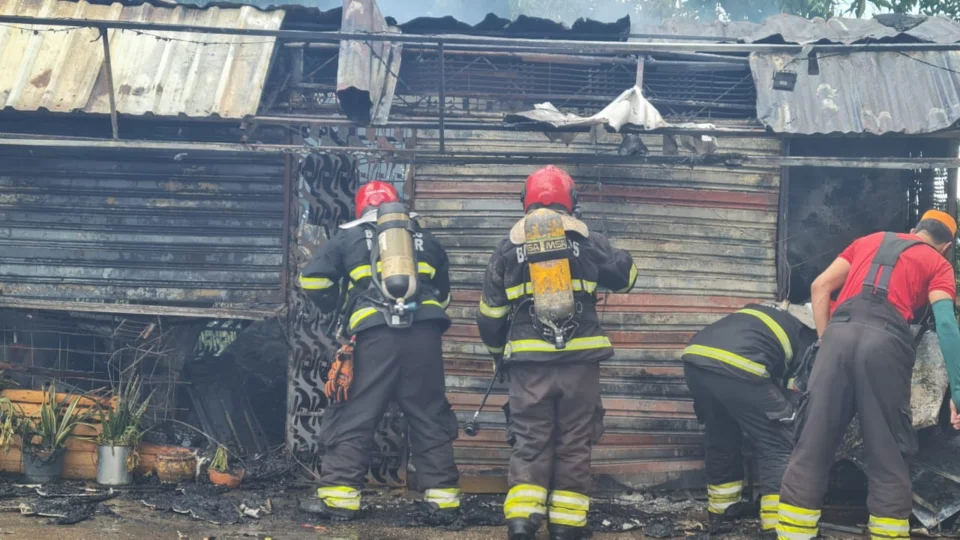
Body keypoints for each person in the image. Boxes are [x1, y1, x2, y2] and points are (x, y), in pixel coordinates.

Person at [476, 165, 638, 540]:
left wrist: (499, 355)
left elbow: (489, 315)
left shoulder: (507, 248)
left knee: (530, 440)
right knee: (575, 440)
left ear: (526, 202)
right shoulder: (587, 241)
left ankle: (522, 521)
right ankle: (567, 526)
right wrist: (598, 242)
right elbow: (628, 278)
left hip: (528, 366)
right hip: (580, 364)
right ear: (571, 201)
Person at [777, 210, 960, 540]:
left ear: (913, 230)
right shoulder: (938, 264)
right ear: (946, 247)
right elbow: (946, 323)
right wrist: (958, 392)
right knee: (887, 451)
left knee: (812, 444)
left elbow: (820, 287)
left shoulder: (868, 241)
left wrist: (826, 343)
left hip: (837, 337)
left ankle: (793, 534)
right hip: (886, 346)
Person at [297, 180, 461, 521]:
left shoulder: (349, 237)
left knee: (355, 411)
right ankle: (443, 500)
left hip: (374, 336)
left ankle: (340, 497)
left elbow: (312, 280)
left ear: (361, 209)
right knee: (429, 413)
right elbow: (443, 297)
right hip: (425, 336)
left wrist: (340, 305)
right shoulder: (424, 237)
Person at [682, 301, 818, 538]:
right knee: (778, 442)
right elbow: (794, 393)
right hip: (739, 364)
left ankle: (722, 512)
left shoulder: (769, 313)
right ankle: (777, 524)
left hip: (695, 360)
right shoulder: (807, 335)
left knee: (721, 434)